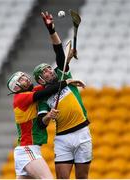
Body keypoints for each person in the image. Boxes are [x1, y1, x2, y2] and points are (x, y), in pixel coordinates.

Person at [33, 11, 92, 179]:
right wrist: (48, 116)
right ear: (40, 79)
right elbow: (41, 122)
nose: (49, 71)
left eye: (49, 68)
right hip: (63, 139)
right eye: (44, 71)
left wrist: (51, 29)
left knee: (82, 178)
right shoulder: (43, 97)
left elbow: (59, 51)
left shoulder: (63, 75)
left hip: (82, 133)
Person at [7, 70, 83, 179]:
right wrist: (67, 81)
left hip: (26, 150)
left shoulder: (31, 93)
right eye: (21, 79)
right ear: (16, 87)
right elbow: (45, 92)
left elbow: (49, 86)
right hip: (28, 149)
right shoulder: (20, 98)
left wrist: (65, 68)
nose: (26, 78)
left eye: (24, 76)